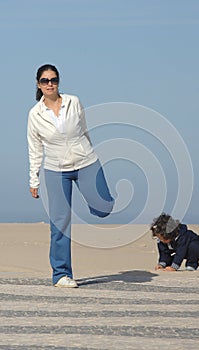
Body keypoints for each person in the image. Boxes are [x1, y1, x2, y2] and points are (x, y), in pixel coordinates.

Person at [27, 64, 114, 287]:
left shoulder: (73, 102)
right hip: (56, 170)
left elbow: (84, 130)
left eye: (53, 80)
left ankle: (95, 201)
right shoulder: (35, 115)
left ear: (58, 81)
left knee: (104, 208)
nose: (49, 84)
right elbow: (35, 148)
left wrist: (93, 158)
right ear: (38, 84)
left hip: (86, 162)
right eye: (45, 81)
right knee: (60, 222)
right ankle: (61, 275)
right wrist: (33, 179)